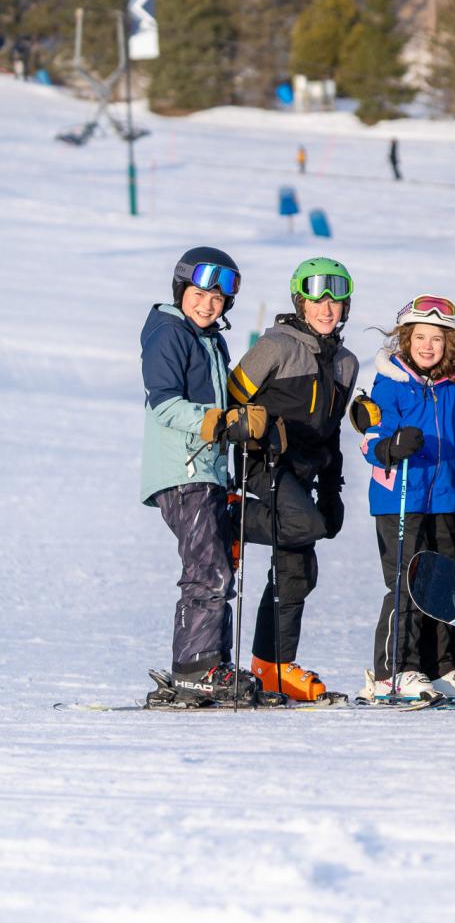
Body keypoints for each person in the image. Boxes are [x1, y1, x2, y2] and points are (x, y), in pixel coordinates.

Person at [227, 257, 359, 701]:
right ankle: (232, 517)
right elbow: (231, 402)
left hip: (306, 473)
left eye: (335, 301)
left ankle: (271, 667)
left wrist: (333, 489)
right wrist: (249, 433)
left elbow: (334, 428)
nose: (326, 309)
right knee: (305, 527)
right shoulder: (276, 346)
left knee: (297, 571)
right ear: (300, 302)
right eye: (316, 299)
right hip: (265, 465)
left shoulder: (345, 363)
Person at [358, 296, 455, 701]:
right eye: (420, 337)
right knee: (406, 584)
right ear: (405, 339)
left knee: (444, 585)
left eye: (437, 339)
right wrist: (391, 446)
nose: (428, 346)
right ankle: (395, 669)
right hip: (399, 498)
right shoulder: (390, 382)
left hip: (443, 499)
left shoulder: (452, 386)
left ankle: (443, 667)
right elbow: (370, 437)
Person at [141, 248, 264, 705]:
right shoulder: (169, 334)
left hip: (207, 469)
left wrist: (239, 421)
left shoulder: (210, 339)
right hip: (182, 468)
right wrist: (216, 421)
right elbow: (165, 403)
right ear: (181, 292)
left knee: (217, 564)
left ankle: (210, 661)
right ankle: (194, 667)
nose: (208, 304)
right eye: (199, 294)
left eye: (217, 298)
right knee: (207, 568)